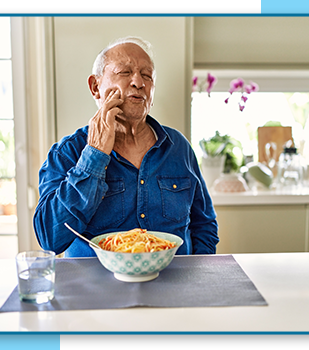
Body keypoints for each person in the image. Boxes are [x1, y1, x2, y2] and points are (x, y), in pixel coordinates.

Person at [33, 36, 219, 257]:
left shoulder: (179, 147)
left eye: (147, 76)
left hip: (173, 288)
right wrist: (94, 156)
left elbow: (204, 225)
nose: (139, 83)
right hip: (96, 290)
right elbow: (49, 238)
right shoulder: (67, 152)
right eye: (124, 72)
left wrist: (197, 275)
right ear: (95, 87)